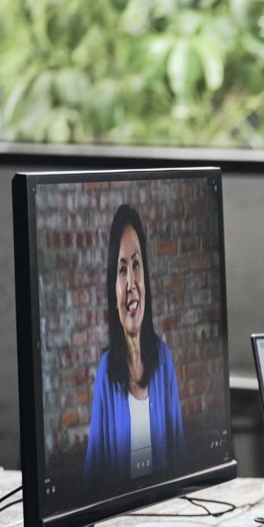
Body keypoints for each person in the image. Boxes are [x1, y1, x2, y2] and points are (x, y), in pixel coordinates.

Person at [83, 204, 186, 491]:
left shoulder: (163, 360)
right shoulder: (106, 372)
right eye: (121, 269)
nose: (131, 282)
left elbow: (181, 459)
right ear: (113, 291)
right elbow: (92, 478)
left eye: (136, 265)